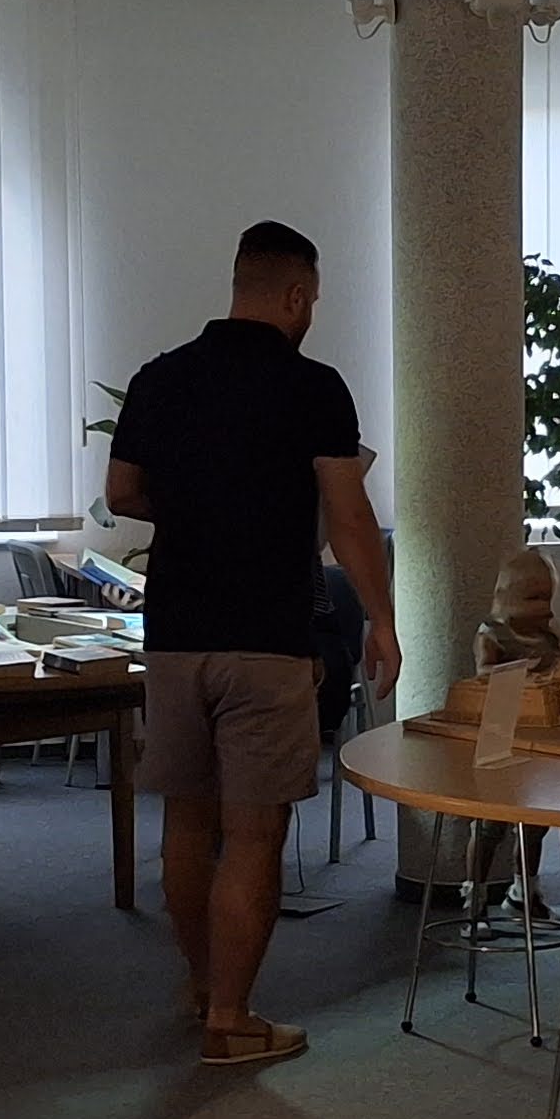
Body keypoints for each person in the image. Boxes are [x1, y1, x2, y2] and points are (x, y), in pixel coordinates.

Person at [106, 220, 398, 1068]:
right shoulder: (314, 387)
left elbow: (121, 492)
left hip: (174, 635)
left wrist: (199, 511)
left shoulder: (159, 378)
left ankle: (204, 985)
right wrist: (381, 619)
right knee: (256, 834)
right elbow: (348, 514)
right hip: (266, 639)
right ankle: (232, 1020)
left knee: (187, 822)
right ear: (297, 295)